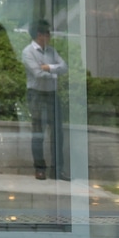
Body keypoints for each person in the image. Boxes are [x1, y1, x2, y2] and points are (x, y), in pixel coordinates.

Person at [22, 19, 69, 180]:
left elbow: (64, 67)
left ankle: (57, 169)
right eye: (47, 33)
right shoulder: (28, 52)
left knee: (57, 133)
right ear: (39, 35)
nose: (50, 36)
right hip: (36, 94)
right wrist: (55, 73)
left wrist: (48, 67)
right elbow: (37, 74)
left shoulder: (51, 51)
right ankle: (39, 168)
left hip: (52, 94)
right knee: (38, 132)